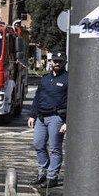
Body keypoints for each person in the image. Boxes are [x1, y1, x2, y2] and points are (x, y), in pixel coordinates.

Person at [28, 51, 68, 188]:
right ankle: (42, 173)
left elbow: (73, 102)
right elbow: (37, 98)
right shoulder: (45, 79)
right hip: (41, 117)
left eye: (60, 61)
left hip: (56, 118)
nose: (56, 63)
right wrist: (32, 115)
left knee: (55, 149)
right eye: (54, 61)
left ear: (65, 63)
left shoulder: (68, 79)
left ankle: (52, 177)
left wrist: (67, 122)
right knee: (38, 145)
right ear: (51, 62)